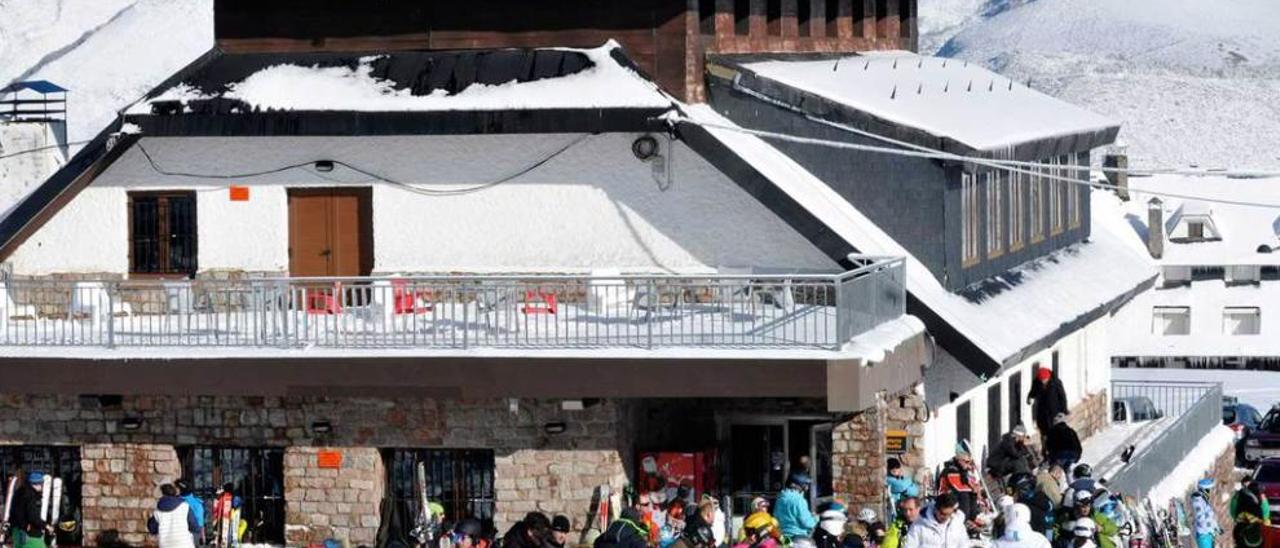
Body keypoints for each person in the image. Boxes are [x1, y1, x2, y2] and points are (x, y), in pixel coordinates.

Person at [936, 450, 983, 534]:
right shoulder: (951, 469)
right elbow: (958, 487)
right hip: (945, 496)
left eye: (971, 462)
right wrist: (973, 487)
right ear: (959, 460)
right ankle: (964, 521)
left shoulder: (962, 470)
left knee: (972, 494)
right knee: (965, 495)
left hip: (955, 494)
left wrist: (975, 488)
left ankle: (971, 518)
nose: (969, 464)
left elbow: (970, 483)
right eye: (967, 462)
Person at [901, 492, 966, 548]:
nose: (945, 517)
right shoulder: (919, 525)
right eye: (942, 513)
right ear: (936, 509)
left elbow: (963, 544)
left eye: (948, 514)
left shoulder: (957, 524)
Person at [147, 483, 200, 548]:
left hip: (166, 545)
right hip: (185, 544)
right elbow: (195, 527)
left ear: (162, 494)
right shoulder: (185, 507)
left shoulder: (158, 512)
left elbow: (152, 529)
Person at [1027, 366, 1068, 442]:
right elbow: (1032, 392)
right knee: (1044, 433)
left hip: (1054, 412)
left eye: (1045, 380)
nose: (1043, 382)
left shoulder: (1056, 383)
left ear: (1048, 377)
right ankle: (1045, 449)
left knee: (1056, 432)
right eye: (1042, 380)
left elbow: (1062, 397)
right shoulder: (1036, 383)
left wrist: (1064, 410)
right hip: (1042, 413)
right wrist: (1029, 398)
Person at [773, 473, 818, 540]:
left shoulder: (780, 499)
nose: (807, 488)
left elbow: (776, 518)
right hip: (799, 538)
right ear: (797, 485)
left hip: (784, 538)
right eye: (805, 485)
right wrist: (815, 518)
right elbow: (807, 523)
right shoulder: (799, 500)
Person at [10, 471, 50, 548]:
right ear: (39, 484)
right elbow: (32, 516)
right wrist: (46, 525)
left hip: (16, 532)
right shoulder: (31, 495)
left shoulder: (19, 492)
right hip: (29, 534)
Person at [1010, 473, 1054, 538]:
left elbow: (1015, 535)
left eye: (1013, 491)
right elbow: (1050, 522)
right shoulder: (1043, 498)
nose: (1012, 495)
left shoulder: (1022, 507)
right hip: (1048, 536)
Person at [1230, 480, 1270, 547]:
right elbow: (1265, 515)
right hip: (1257, 536)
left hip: (1242, 536)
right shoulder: (1261, 498)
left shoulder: (1239, 496)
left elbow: (1233, 512)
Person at [173, 480, 204, 546]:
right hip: (194, 534)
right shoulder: (197, 503)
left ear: (180, 490)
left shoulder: (174, 502)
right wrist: (202, 536)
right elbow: (200, 523)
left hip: (178, 534)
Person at [1189, 479, 1219, 548]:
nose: (1209, 493)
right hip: (1203, 535)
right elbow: (1200, 518)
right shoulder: (1197, 502)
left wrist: (1216, 527)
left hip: (1207, 535)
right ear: (1203, 490)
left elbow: (1209, 519)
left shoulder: (1203, 502)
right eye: (1208, 490)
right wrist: (1211, 529)